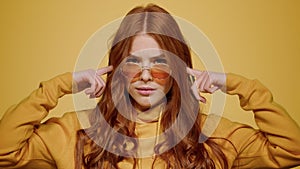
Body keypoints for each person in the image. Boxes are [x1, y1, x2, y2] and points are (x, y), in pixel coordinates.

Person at [0, 4, 300, 169]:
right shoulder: (74, 132)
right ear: (116, 69)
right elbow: (5, 153)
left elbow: (291, 151)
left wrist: (234, 84)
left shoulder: (214, 135)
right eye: (133, 63)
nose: (145, 76)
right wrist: (62, 85)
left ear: (177, 70)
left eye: (159, 63)